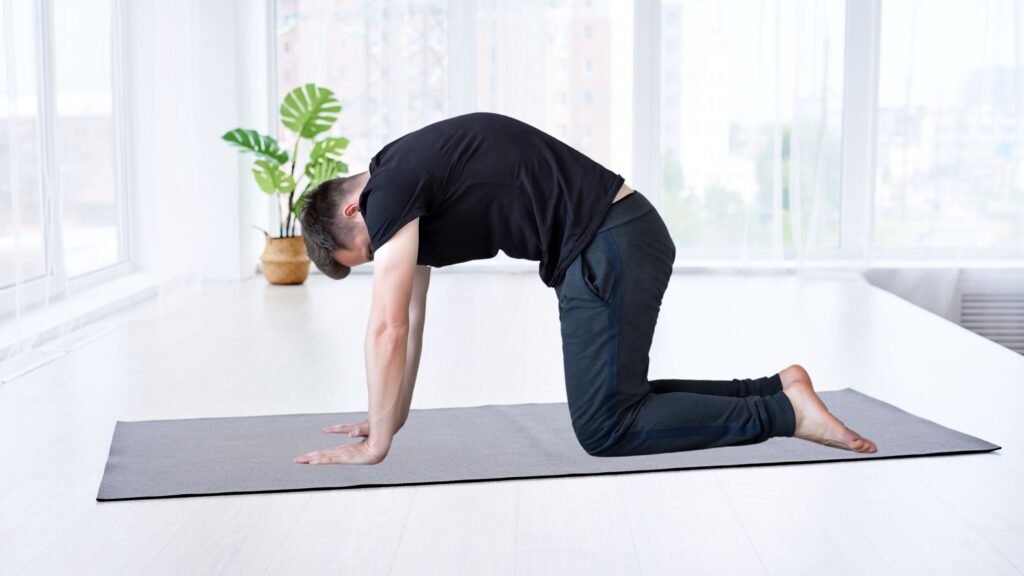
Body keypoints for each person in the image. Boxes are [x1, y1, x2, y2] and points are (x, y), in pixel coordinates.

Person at [292, 111, 877, 465]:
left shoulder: (390, 191)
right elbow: (411, 320)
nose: (382, 260)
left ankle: (785, 413)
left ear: (352, 206)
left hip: (609, 243)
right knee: (620, 402)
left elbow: (386, 326)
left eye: (367, 252)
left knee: (606, 426)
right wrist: (388, 417)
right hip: (608, 241)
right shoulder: (401, 174)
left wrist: (374, 449)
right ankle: (779, 390)